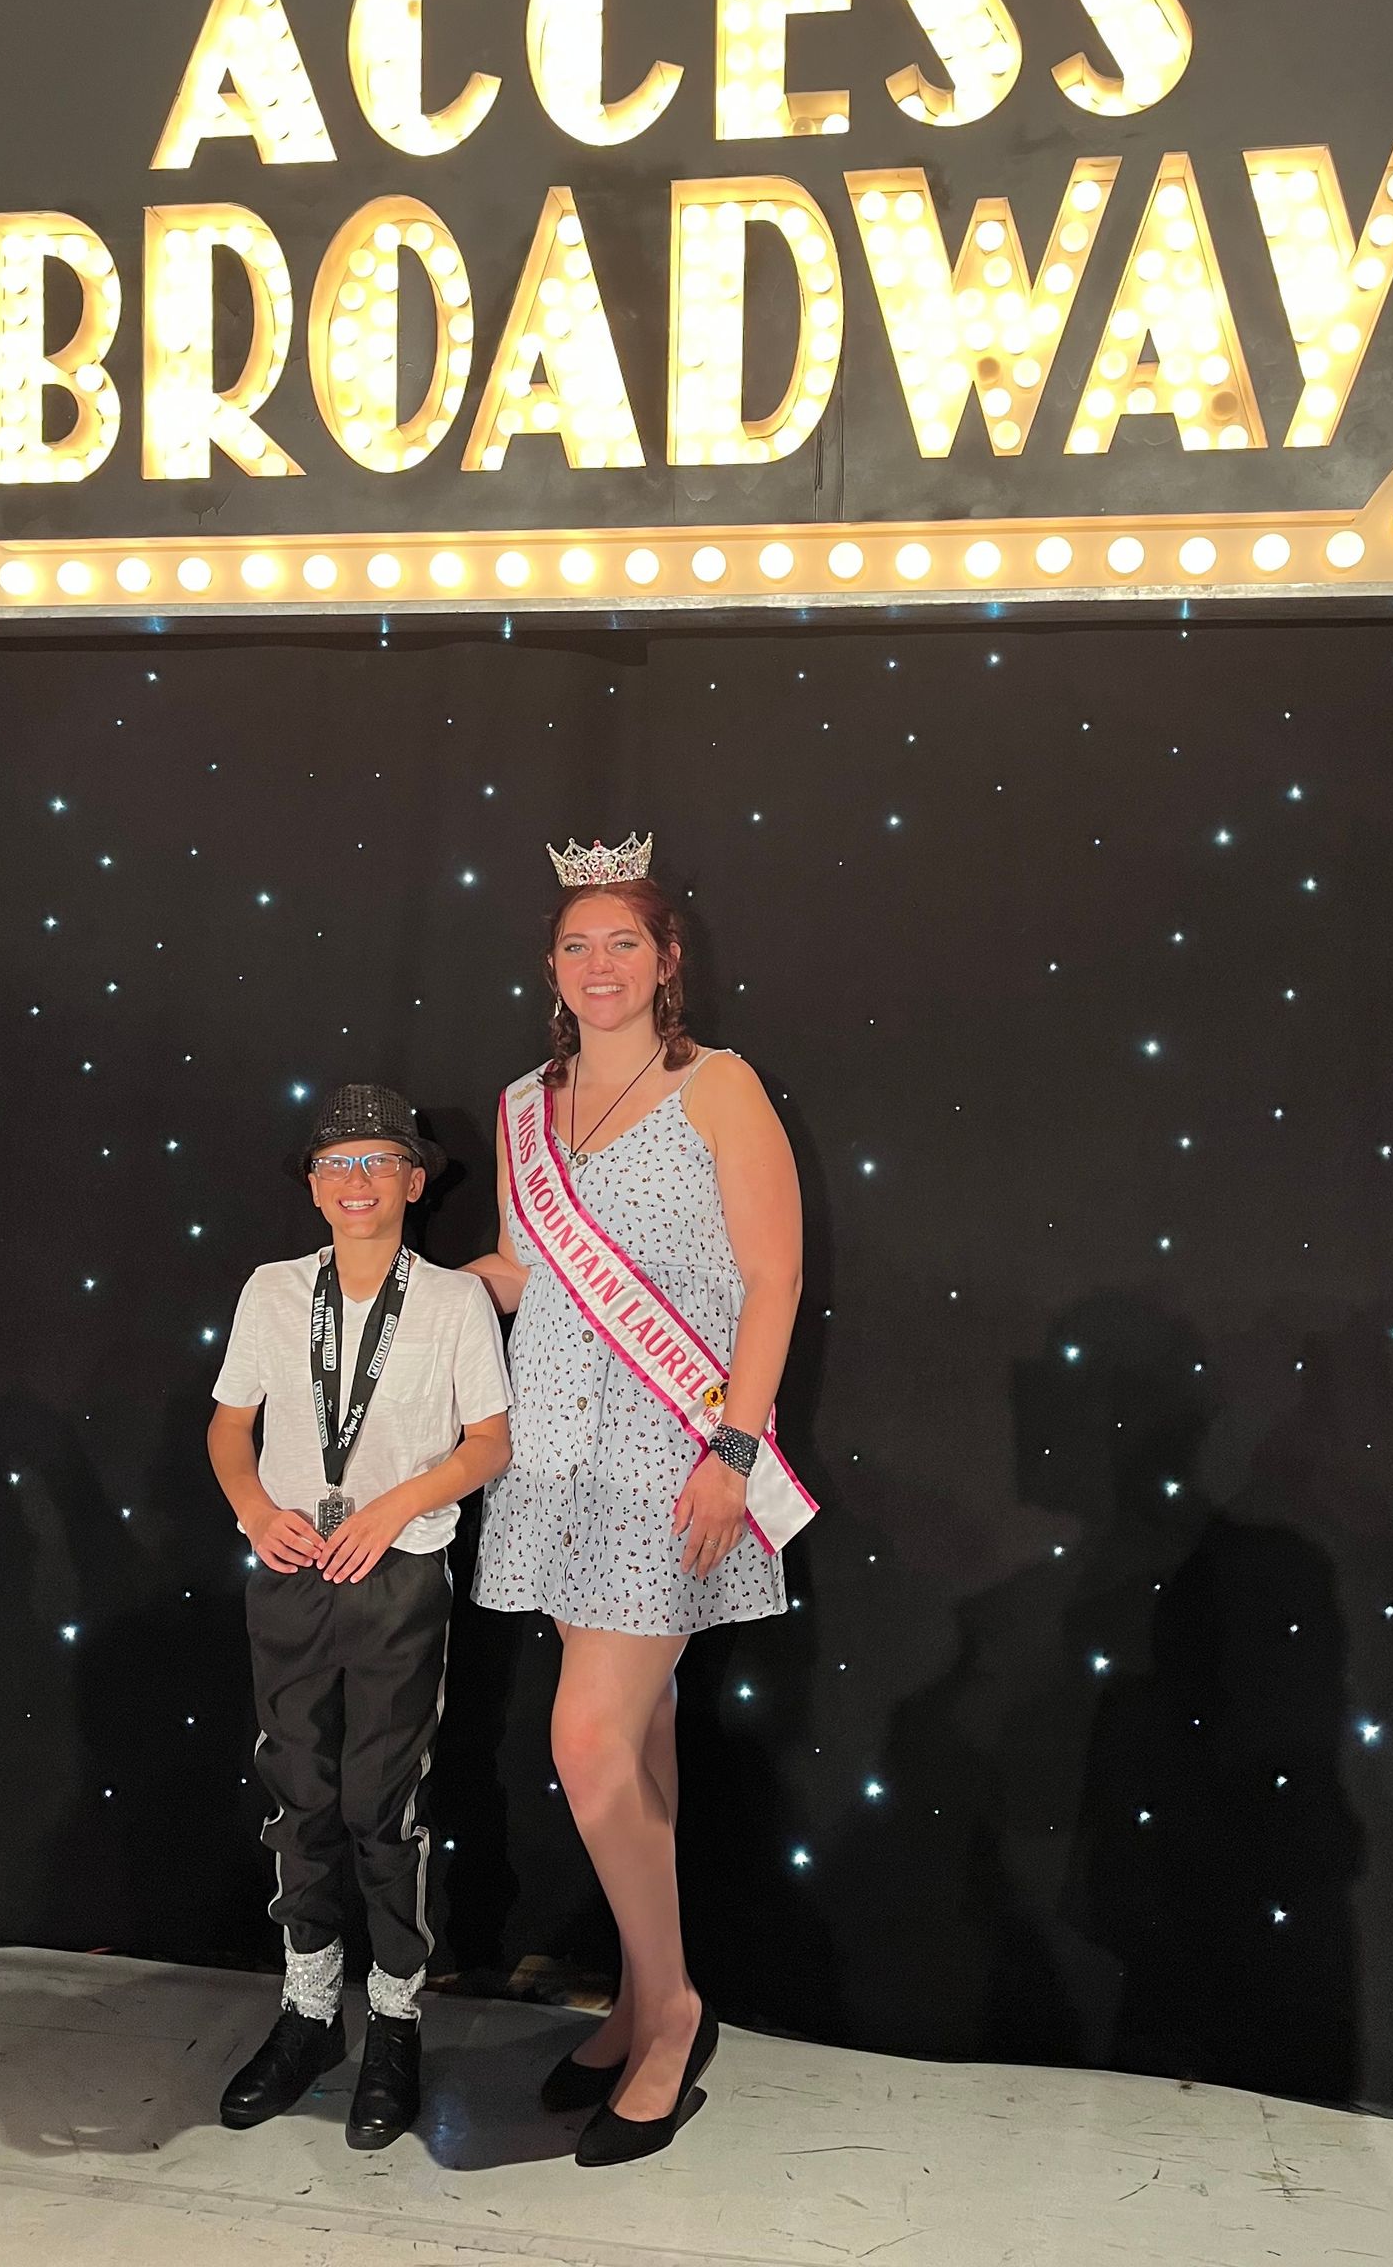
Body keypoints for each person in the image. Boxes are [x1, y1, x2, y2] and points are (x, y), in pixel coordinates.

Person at [466, 834, 817, 2166]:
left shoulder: (717, 1089)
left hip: (671, 1455)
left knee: (589, 1742)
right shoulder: (520, 1108)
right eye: (577, 945)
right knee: (645, 1734)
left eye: (625, 942)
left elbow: (773, 1284)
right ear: (550, 970)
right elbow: (520, 1268)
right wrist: (412, 1284)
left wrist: (731, 1451)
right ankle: (634, 1991)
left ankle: (668, 2013)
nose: (599, 965)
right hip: (552, 1453)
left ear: (668, 960)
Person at [207, 1082, 512, 2147]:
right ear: (311, 1184)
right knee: (298, 1788)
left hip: (397, 1572)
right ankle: (305, 2010)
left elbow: (488, 1443)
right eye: (335, 1163)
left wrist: (389, 1508)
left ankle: (392, 2019)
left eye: (377, 1161)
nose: (355, 1180)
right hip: (292, 1568)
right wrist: (253, 1509)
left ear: (415, 1181)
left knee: (384, 1799)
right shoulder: (272, 1290)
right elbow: (228, 1425)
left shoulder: (453, 1302)